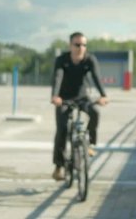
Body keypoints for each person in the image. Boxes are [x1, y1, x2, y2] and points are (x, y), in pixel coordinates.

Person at [50, 32, 109, 181]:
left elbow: (96, 77)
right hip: (63, 98)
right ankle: (59, 166)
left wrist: (103, 95)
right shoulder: (62, 60)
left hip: (82, 97)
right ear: (70, 46)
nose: (81, 48)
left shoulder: (90, 60)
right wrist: (55, 96)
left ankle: (90, 145)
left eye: (84, 45)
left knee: (94, 113)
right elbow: (58, 77)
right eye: (77, 45)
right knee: (62, 129)